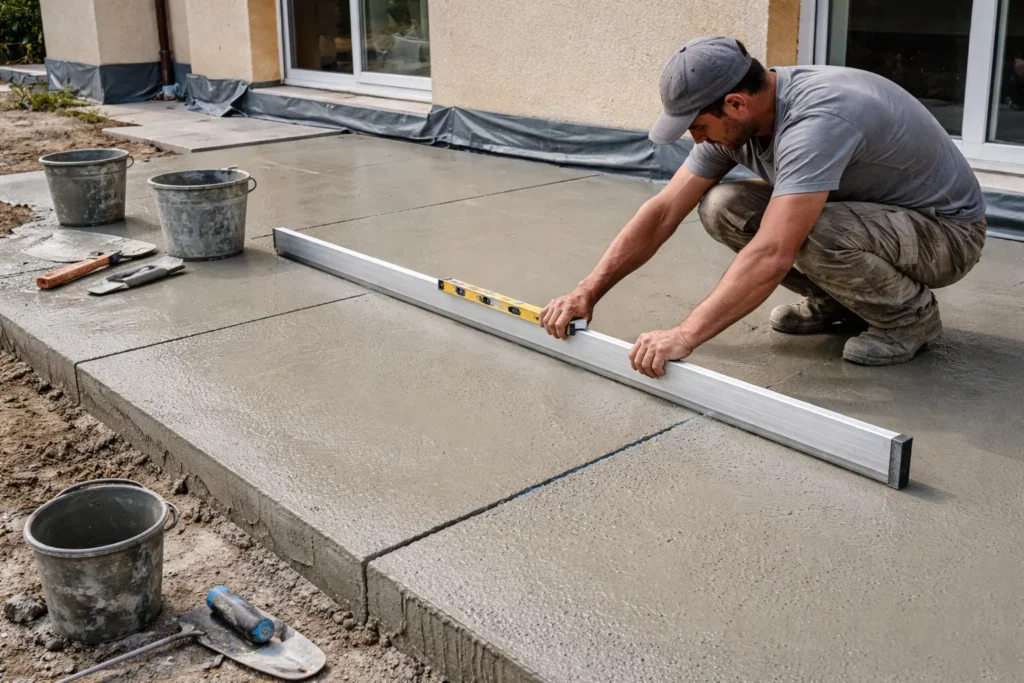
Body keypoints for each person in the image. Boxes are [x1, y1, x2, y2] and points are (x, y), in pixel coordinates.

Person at [539, 36, 986, 375]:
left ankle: (909, 319)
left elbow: (774, 251)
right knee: (724, 205)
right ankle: (840, 303)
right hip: (869, 216)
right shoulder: (741, 118)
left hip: (944, 233)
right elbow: (663, 211)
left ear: (735, 102)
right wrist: (587, 291)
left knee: (801, 231)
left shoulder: (818, 121)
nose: (696, 139)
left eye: (697, 126)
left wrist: (684, 335)